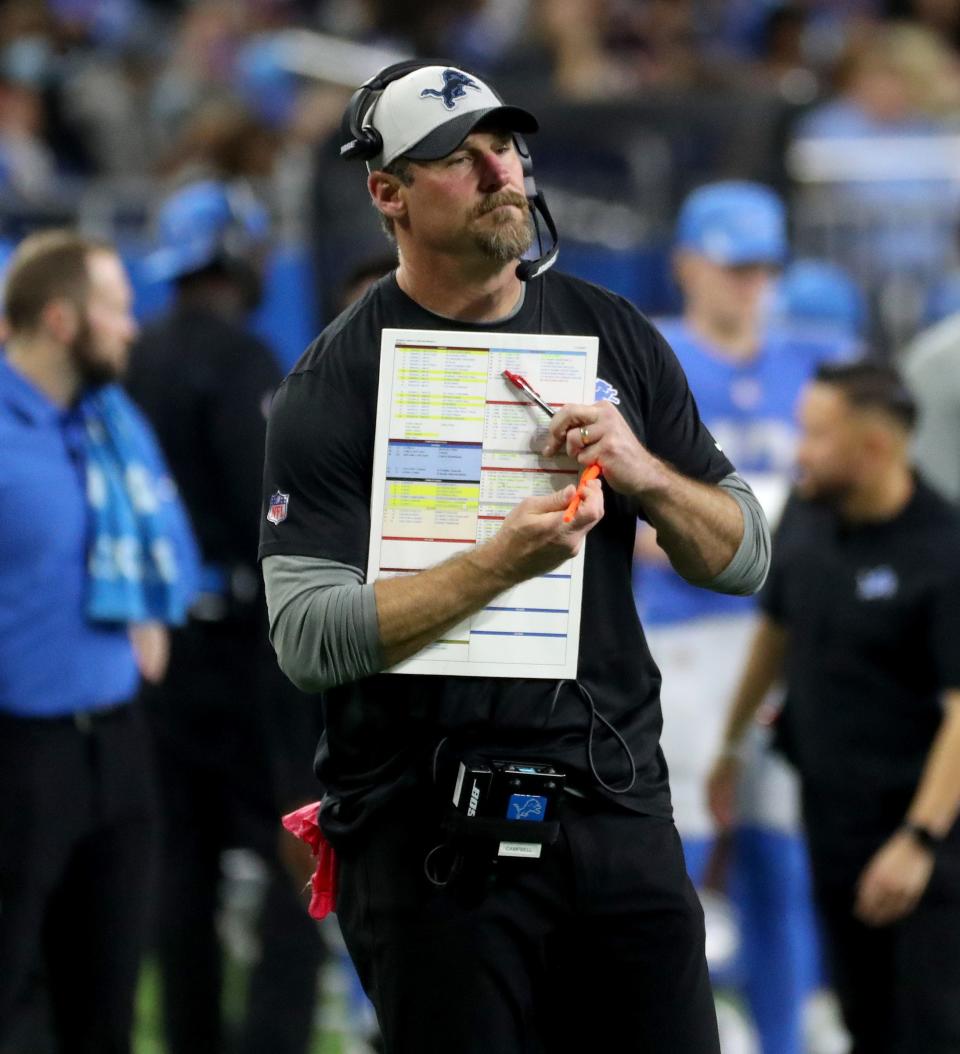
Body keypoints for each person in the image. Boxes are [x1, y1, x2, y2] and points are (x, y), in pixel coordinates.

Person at [259, 61, 772, 1054]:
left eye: (509, 146)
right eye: (462, 156)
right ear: (388, 193)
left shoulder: (614, 331)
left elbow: (743, 555)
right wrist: (497, 565)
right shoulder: (336, 380)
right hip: (431, 836)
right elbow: (307, 638)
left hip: (615, 804)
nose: (504, 172)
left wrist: (646, 474)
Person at [633, 181, 853, 1054]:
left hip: (789, 633)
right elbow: (623, 505)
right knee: (677, 848)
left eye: (762, 268)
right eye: (734, 267)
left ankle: (787, 1033)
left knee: (780, 852)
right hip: (682, 632)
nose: (749, 285)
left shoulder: (817, 359)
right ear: (690, 264)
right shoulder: (652, 353)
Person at [125, 180, 325, 1054]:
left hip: (153, 647)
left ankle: (189, 1038)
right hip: (247, 651)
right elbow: (270, 514)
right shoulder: (244, 361)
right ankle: (273, 1040)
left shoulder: (130, 359)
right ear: (240, 255)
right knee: (300, 849)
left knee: (181, 869)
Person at [708, 362, 960, 1054]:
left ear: (875, 449)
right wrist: (730, 748)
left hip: (922, 839)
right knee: (863, 1021)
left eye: (816, 435)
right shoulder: (809, 512)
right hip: (830, 815)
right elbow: (773, 633)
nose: (800, 451)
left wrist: (920, 842)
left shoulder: (943, 549)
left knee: (930, 1028)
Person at [0, 230, 197, 1053]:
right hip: (16, 757)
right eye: (116, 311)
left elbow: (166, 551)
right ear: (60, 320)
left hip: (117, 749)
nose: (133, 328)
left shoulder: (115, 424)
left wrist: (149, 618)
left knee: (107, 1007)